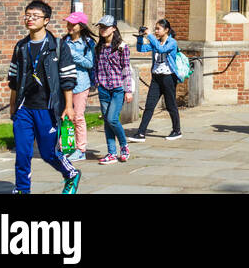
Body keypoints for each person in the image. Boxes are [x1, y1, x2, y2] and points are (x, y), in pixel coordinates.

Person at [7, 0, 81, 194]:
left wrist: (68, 107)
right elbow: (13, 78)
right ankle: (22, 189)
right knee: (22, 153)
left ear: (46, 20)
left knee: (49, 153)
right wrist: (12, 104)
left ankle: (71, 174)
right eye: (27, 15)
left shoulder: (57, 46)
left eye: (35, 16)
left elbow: (67, 78)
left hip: (47, 108)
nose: (30, 19)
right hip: (24, 108)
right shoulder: (21, 46)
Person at [128, 18, 181, 142]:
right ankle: (141, 133)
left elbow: (161, 49)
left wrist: (149, 35)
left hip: (168, 78)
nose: (156, 31)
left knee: (170, 105)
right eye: (155, 29)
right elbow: (141, 49)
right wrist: (140, 37)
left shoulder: (172, 42)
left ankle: (177, 130)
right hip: (156, 78)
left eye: (158, 29)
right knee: (149, 106)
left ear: (166, 30)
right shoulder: (155, 42)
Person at [93, 16, 133, 164]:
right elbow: (96, 66)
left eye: (105, 27)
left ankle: (124, 146)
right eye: (100, 27)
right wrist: (97, 82)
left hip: (117, 88)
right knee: (107, 121)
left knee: (112, 119)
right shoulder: (99, 47)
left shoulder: (122, 47)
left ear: (114, 28)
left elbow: (126, 69)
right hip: (103, 88)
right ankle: (111, 152)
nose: (102, 30)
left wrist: (128, 90)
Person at [62, 12, 95, 161]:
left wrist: (73, 54)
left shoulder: (88, 44)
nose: (69, 26)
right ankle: (67, 146)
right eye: (68, 23)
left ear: (80, 26)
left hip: (81, 83)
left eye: (72, 24)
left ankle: (81, 149)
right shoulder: (63, 42)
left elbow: (90, 63)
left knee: (79, 117)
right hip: (65, 84)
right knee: (65, 117)